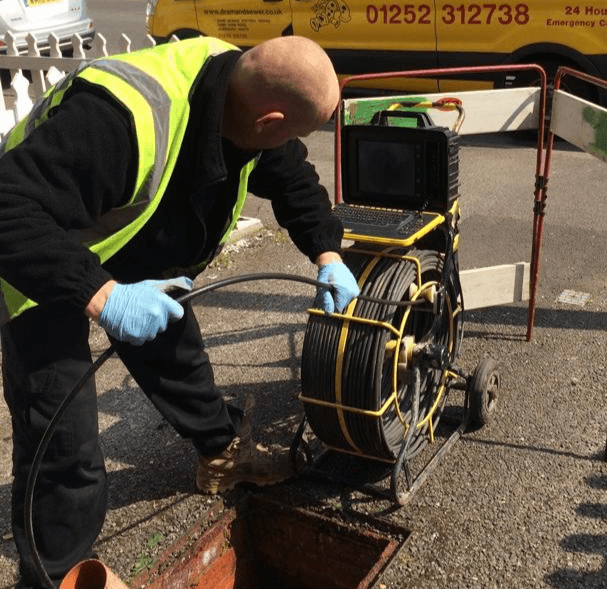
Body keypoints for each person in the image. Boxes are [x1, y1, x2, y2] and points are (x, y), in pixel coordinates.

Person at [0, 35, 360, 588]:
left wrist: (327, 254)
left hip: (116, 228)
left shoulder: (239, 83)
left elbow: (289, 174)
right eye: (292, 132)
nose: (291, 144)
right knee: (63, 443)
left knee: (171, 339)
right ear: (267, 120)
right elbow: (7, 209)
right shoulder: (118, 121)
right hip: (32, 250)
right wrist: (104, 296)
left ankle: (221, 453)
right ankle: (54, 575)